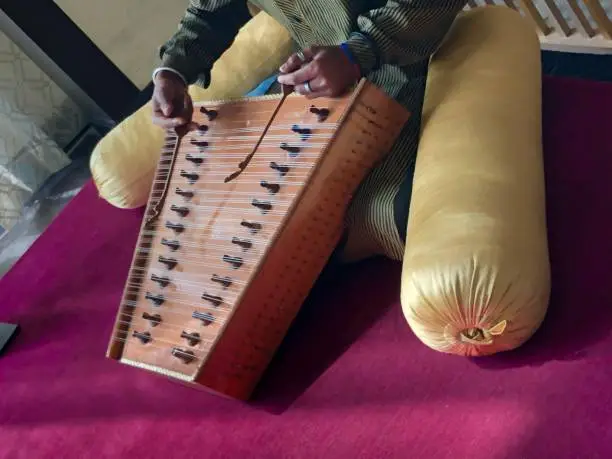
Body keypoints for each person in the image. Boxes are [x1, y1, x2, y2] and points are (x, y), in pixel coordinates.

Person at [151, 0, 467, 263]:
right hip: (313, 87)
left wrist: (357, 53)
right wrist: (173, 71)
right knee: (228, 222)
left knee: (398, 219)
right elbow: (210, 12)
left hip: (409, 67)